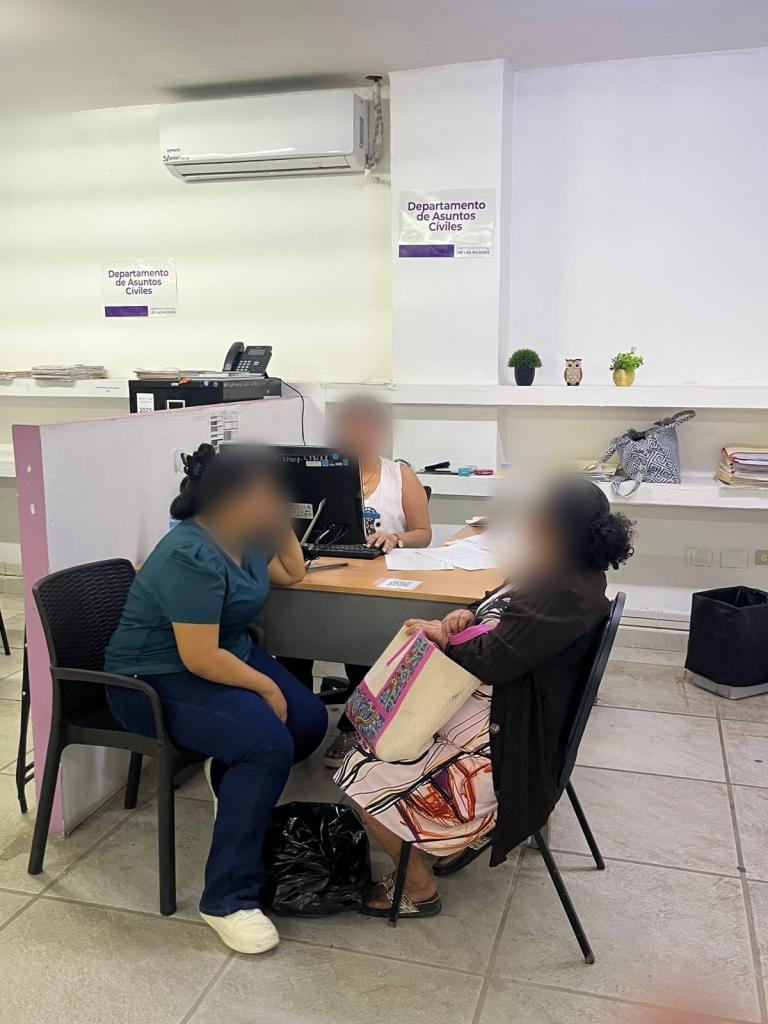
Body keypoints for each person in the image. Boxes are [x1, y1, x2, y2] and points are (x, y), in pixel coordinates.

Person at [335, 477, 634, 918]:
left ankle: (418, 887)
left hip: (503, 747)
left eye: (537, 518)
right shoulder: (560, 574)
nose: (528, 525)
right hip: (503, 716)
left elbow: (494, 660)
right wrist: (466, 615)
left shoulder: (564, 594)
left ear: (555, 530)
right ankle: (446, 844)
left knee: (359, 768)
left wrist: (444, 637)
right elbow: (498, 606)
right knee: (382, 737)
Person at [104, 443, 327, 954]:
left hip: (220, 655)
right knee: (267, 744)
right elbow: (199, 657)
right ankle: (227, 898)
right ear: (228, 500)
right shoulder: (190, 553)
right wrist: (266, 685)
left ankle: (231, 774)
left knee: (308, 722)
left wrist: (278, 525)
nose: (275, 503)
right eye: (265, 496)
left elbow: (293, 572)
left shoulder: (246, 538)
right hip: (152, 677)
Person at [280, 394, 432, 769]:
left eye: (367, 428)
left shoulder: (401, 476)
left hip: (377, 587)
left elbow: (424, 533)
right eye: (351, 428)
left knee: (363, 642)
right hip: (320, 577)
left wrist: (396, 538)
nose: (359, 436)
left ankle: (355, 727)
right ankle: (296, 724)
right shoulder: (318, 474)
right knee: (290, 640)